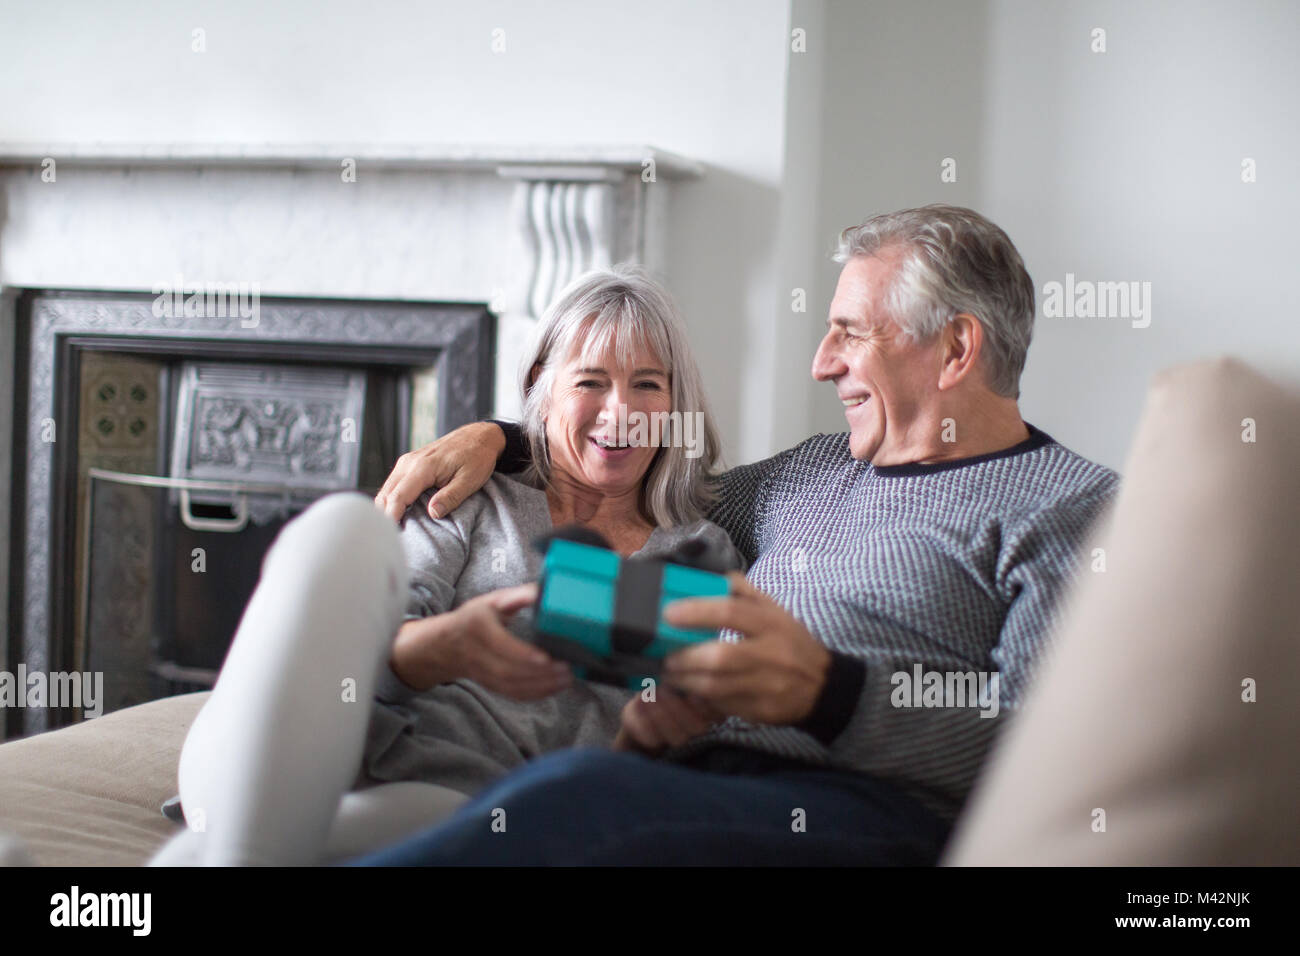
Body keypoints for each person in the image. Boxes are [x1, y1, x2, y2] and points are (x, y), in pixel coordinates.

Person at [361, 204, 1122, 865]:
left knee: (573, 797)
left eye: (849, 335)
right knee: (567, 784)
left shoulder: (1074, 507)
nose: (823, 365)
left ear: (956, 349)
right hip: (684, 774)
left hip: (866, 809)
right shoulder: (811, 473)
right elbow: (641, 472)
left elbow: (1054, 751)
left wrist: (833, 695)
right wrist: (503, 438)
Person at [149, 266, 742, 866]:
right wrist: (444, 647)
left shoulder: (695, 555)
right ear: (543, 383)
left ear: (675, 402)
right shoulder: (470, 497)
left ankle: (230, 849)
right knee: (346, 526)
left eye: (647, 385)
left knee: (230, 853)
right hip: (309, 742)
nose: (620, 413)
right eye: (590, 381)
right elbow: (357, 665)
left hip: (460, 797)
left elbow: (665, 735)